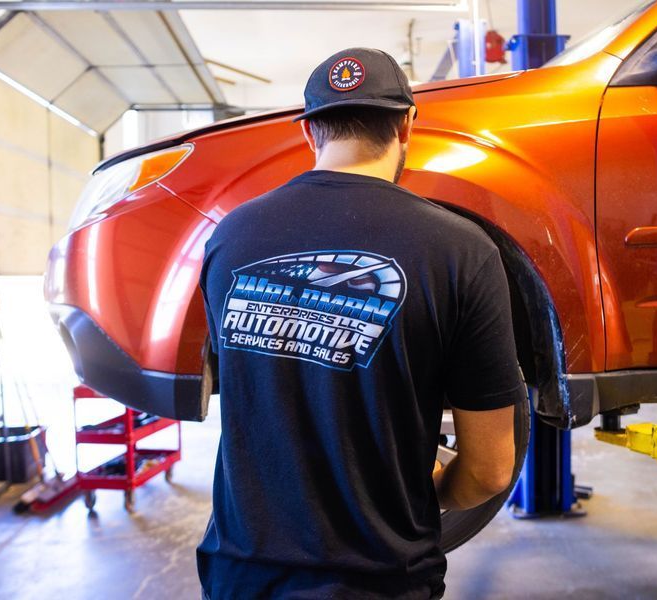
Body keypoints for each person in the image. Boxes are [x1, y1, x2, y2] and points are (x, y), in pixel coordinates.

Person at [197, 47, 526, 600]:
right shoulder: (461, 251)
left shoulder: (230, 238)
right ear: (406, 125)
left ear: (309, 134)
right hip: (380, 581)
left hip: (240, 575)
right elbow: (491, 471)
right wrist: (423, 492)